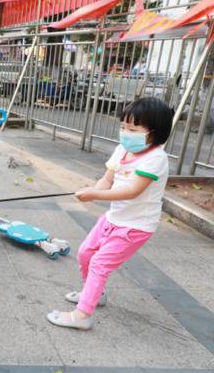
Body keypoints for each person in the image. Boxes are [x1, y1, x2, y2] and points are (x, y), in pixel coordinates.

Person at [47, 97, 173, 330]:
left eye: (133, 129)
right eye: (123, 127)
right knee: (85, 253)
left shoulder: (156, 159)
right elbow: (108, 179)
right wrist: (93, 190)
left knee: (99, 264)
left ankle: (82, 316)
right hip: (113, 219)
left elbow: (131, 191)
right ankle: (94, 293)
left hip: (135, 227)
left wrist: (94, 196)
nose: (125, 133)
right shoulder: (122, 150)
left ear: (154, 133)